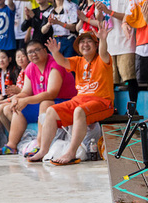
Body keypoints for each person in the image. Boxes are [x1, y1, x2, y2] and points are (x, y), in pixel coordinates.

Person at [27, 27, 115, 165]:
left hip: (102, 102)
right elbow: (63, 62)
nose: (85, 44)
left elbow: (103, 51)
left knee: (79, 111)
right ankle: (43, 150)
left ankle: (71, 152)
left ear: (96, 45)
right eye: (82, 42)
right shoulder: (78, 61)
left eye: (89, 42)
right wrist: (55, 52)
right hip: (79, 100)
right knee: (51, 111)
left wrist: (103, 39)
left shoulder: (103, 59)